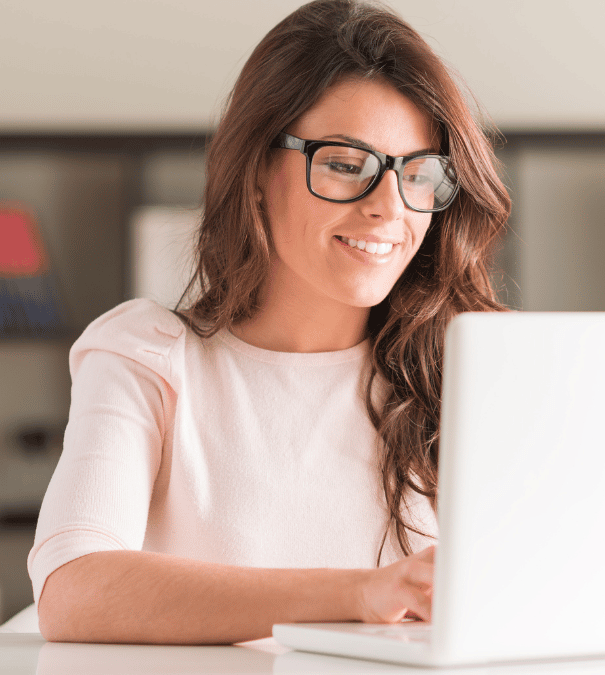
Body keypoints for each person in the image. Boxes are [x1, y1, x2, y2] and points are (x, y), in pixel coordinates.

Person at [28, 0, 509, 644]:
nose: (389, 209)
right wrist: (362, 593)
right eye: (345, 164)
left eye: (418, 174)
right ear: (257, 170)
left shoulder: (472, 370)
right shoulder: (148, 354)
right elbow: (74, 588)